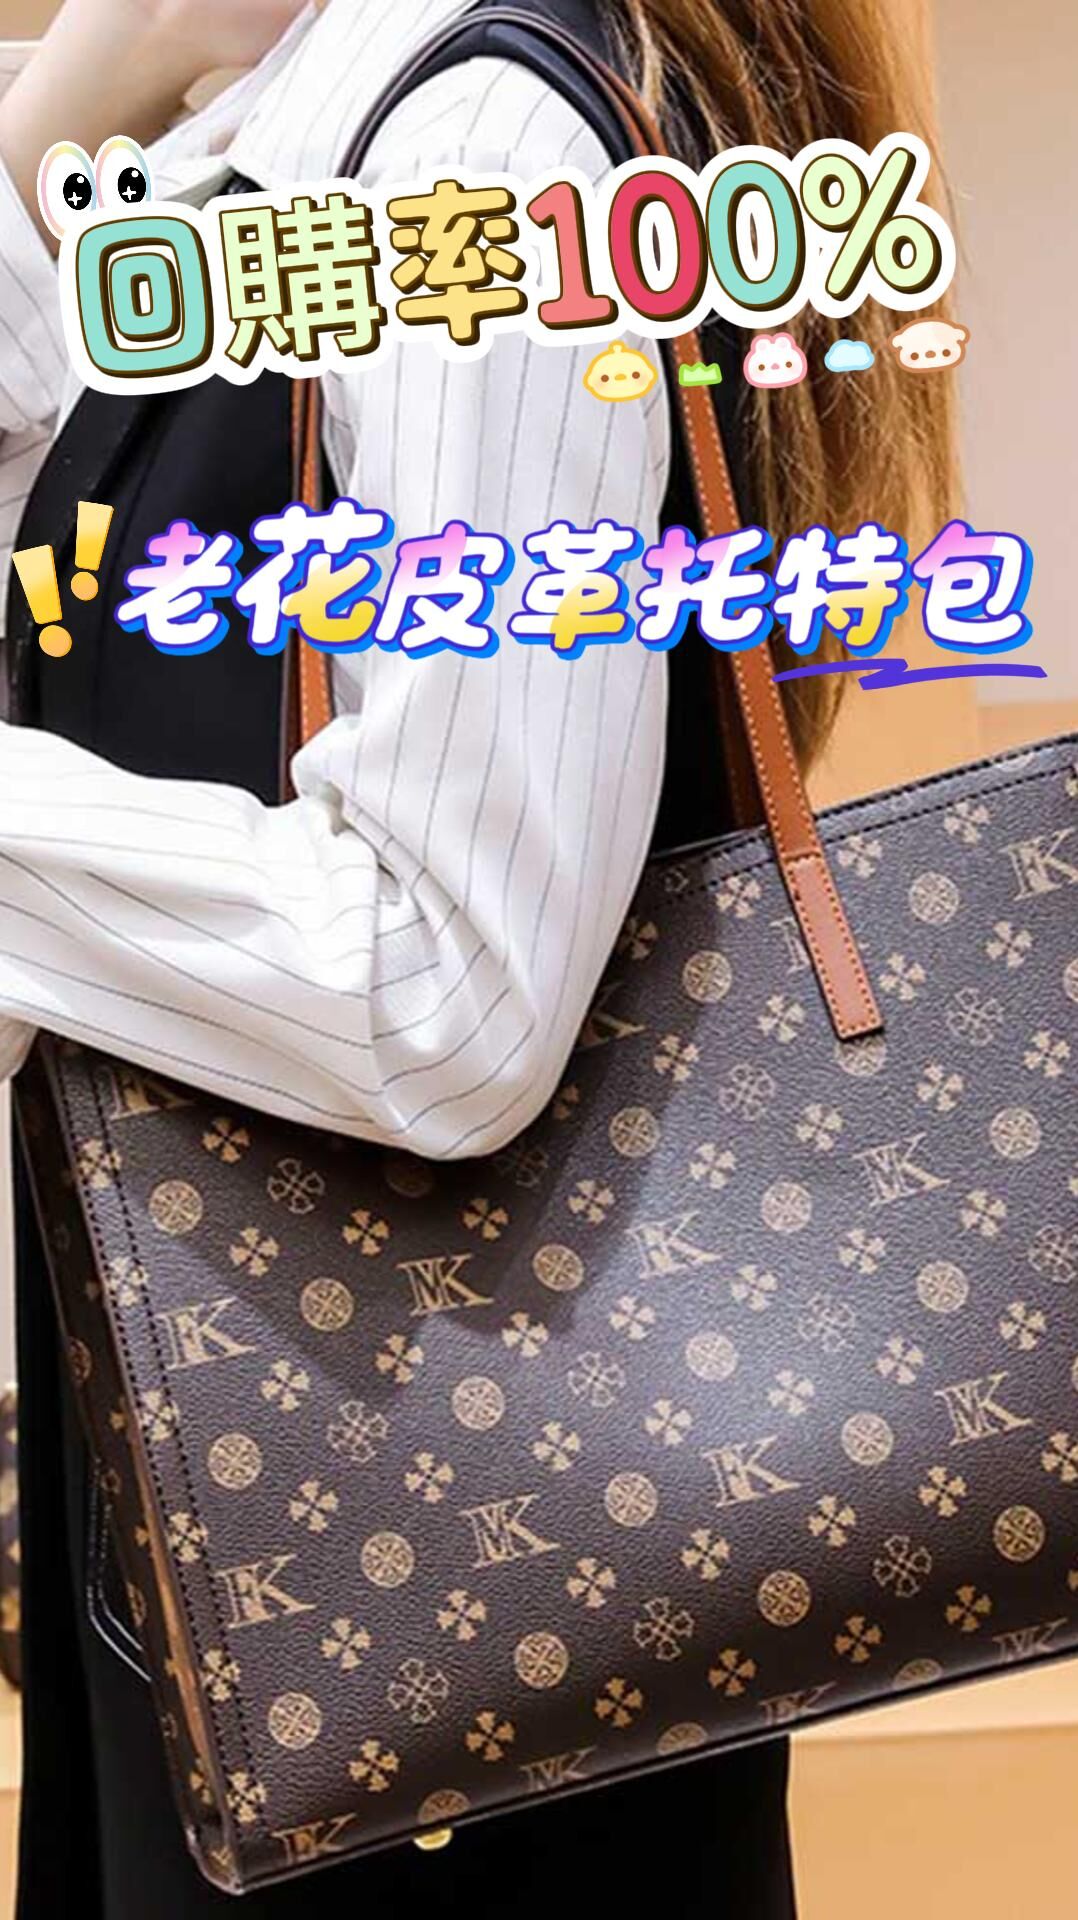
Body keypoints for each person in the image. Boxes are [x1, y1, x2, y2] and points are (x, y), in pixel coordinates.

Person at [0, 1, 956, 1914]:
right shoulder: (308, 145)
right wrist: (68, 105)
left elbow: (448, 989)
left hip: (410, 1534)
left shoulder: (486, 150)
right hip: (293, 1505)